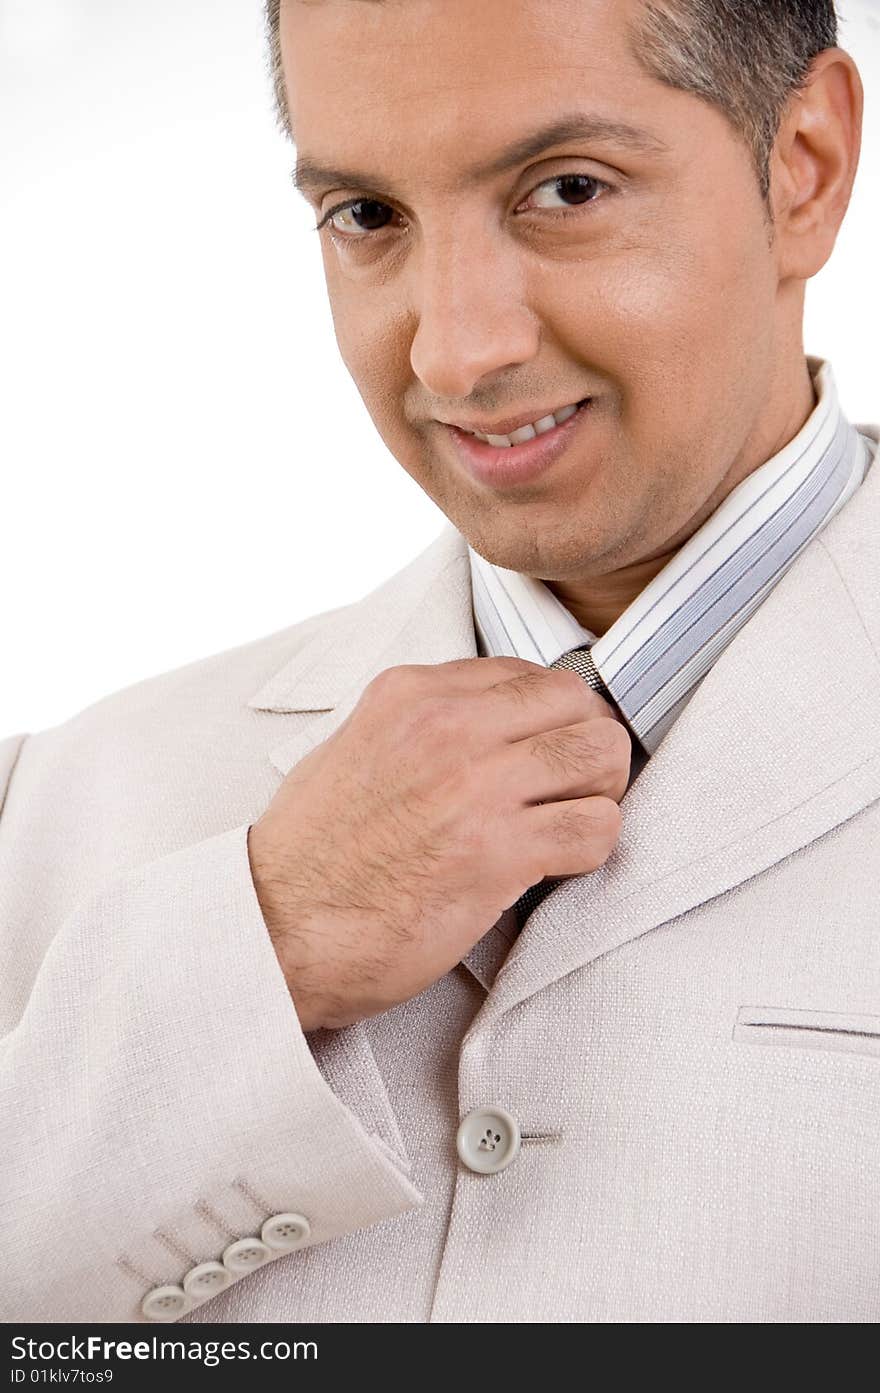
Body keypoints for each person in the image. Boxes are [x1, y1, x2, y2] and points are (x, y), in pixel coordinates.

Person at [1, 0, 877, 1325]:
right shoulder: (67, 796)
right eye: (367, 216)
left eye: (568, 189)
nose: (457, 352)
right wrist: (264, 947)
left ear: (801, 164)